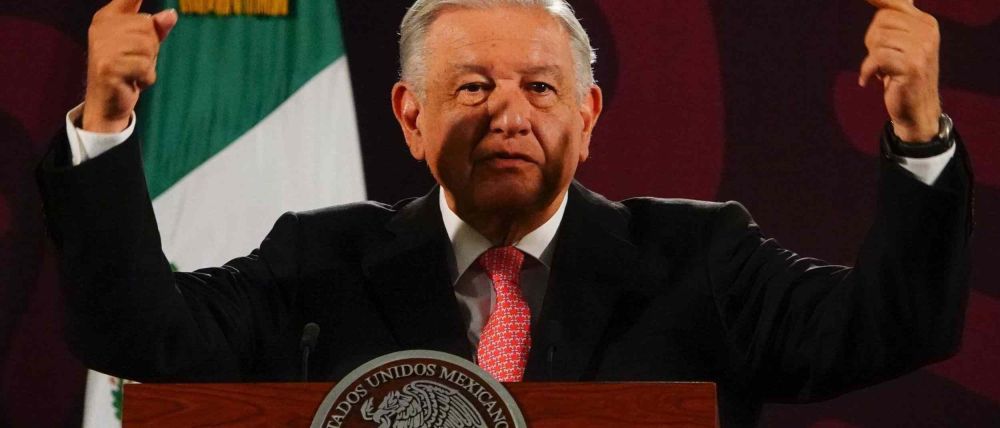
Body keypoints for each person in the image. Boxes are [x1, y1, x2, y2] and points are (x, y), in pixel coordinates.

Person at [37, 0, 972, 426]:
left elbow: (893, 325)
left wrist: (919, 135)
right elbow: (139, 336)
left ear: (588, 116)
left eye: (539, 86)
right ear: (411, 117)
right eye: (473, 86)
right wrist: (107, 129)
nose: (508, 114)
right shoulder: (318, 262)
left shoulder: (704, 258)